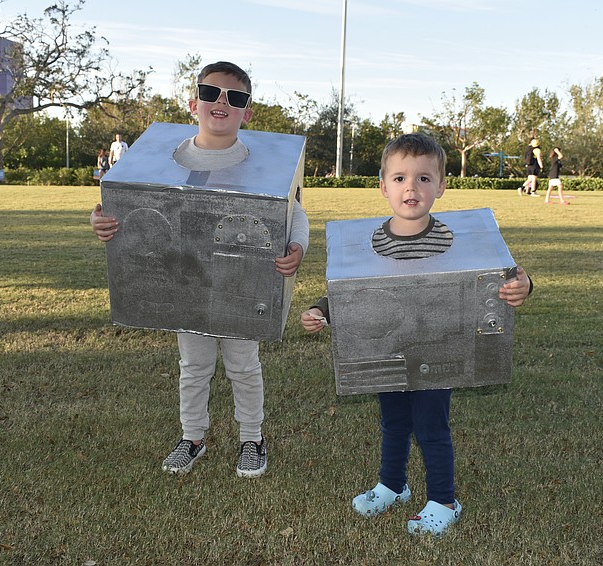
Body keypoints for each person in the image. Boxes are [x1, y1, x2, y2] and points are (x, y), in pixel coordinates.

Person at [301, 132, 532, 536]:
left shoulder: (452, 239)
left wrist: (523, 286)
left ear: (441, 186)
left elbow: (499, 275)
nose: (412, 187)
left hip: (437, 349)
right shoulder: (372, 243)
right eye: (400, 178)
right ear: (383, 186)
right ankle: (393, 485)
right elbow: (351, 289)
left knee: (431, 426)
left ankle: (444, 499)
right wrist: (321, 310)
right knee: (392, 420)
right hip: (389, 346)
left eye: (424, 179)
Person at [90, 61, 309, 479]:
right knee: (193, 366)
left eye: (235, 98)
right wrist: (97, 221)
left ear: (247, 112)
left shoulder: (256, 161)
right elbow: (117, 204)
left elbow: (294, 212)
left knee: (243, 364)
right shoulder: (167, 157)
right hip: (184, 281)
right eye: (211, 94)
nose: (221, 103)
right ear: (194, 103)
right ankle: (192, 436)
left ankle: (252, 438)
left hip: (238, 281)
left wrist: (297, 245)